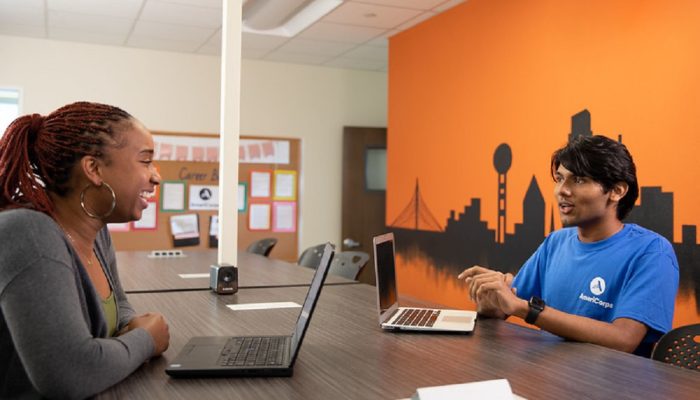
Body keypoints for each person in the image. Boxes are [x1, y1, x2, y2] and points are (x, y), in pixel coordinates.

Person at [0, 102, 170, 399]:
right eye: (145, 162)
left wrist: (127, 333)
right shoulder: (28, 232)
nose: (156, 176)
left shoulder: (96, 230)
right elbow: (71, 374)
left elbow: (119, 306)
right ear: (93, 169)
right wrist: (146, 339)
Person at [458, 135, 679, 357]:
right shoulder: (556, 242)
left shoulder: (652, 252)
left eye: (579, 180)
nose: (562, 190)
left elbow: (623, 340)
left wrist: (528, 310)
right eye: (559, 179)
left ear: (617, 191)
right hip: (551, 377)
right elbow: (507, 304)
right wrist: (490, 300)